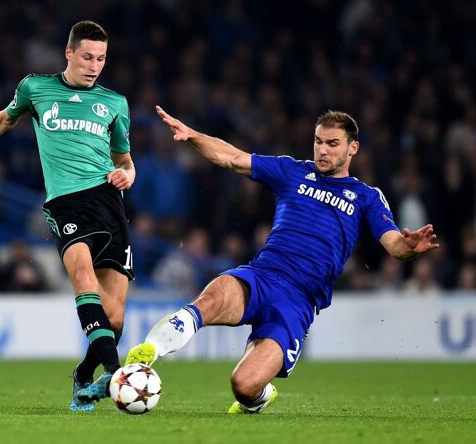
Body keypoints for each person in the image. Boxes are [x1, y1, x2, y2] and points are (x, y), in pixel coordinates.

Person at [125, 106, 439, 414]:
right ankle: (148, 353)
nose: (323, 150)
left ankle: (261, 395)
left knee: (244, 386)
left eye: (332, 144)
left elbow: (394, 246)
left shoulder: (366, 196)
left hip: (298, 301)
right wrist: (193, 135)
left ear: (352, 148)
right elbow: (232, 158)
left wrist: (409, 246)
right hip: (262, 275)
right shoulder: (292, 171)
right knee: (211, 298)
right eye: (318, 141)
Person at [0, 20, 135, 412]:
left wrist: (127, 174)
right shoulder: (36, 88)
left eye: (101, 59)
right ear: (69, 52)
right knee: (82, 277)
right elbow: (2, 120)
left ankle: (84, 374)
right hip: (66, 203)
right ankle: (116, 373)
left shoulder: (115, 104)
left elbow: (125, 161)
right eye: (88, 57)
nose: (94, 66)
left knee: (114, 317)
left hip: (109, 202)